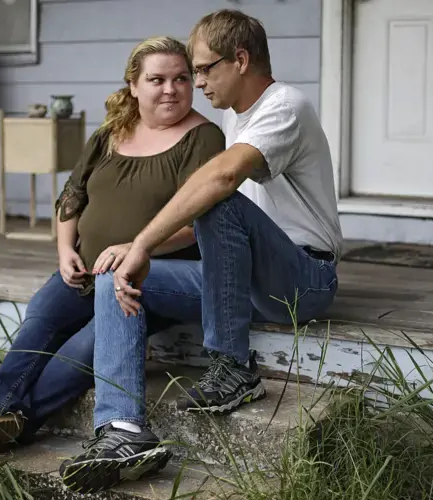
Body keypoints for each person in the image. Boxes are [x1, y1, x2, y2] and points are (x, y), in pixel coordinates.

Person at [59, 8, 343, 493]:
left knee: (217, 196)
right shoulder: (235, 119)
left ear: (240, 59)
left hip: (302, 279)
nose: (198, 81)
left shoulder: (285, 105)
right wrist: (133, 252)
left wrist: (145, 241)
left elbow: (222, 181)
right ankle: (124, 431)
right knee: (115, 274)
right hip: (239, 280)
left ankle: (233, 370)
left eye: (205, 68)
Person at [0, 36, 226, 464]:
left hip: (145, 277)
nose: (171, 89)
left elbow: (201, 224)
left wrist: (136, 247)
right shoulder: (111, 134)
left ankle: (18, 423)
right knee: (43, 316)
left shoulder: (203, 138)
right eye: (157, 79)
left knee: (88, 344)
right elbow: (72, 196)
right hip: (84, 269)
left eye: (181, 79)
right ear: (134, 84)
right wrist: (65, 249)